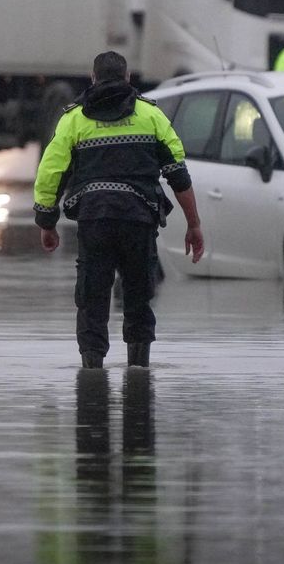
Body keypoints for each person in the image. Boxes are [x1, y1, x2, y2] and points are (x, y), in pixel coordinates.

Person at [34, 51, 204, 369]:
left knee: (92, 299)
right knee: (138, 298)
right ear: (128, 79)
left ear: (93, 78)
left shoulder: (74, 119)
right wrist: (193, 225)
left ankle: (92, 376)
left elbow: (50, 172)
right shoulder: (151, 116)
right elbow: (178, 174)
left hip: (95, 220)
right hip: (138, 221)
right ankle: (139, 377)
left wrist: (47, 221)